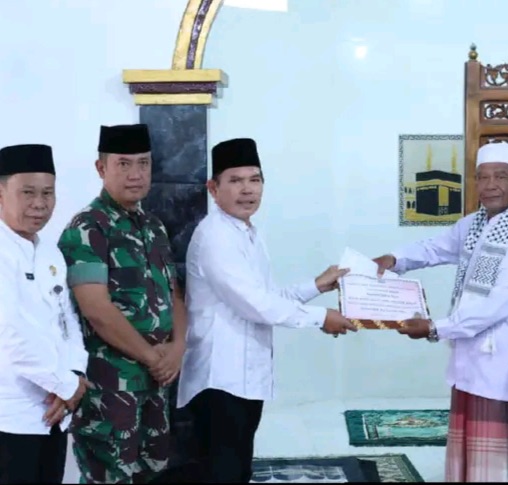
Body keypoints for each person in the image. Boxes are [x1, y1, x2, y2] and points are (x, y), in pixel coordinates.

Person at [177, 137, 357, 483]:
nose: (247, 190)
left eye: (255, 180)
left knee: (238, 469)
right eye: (235, 180)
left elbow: (268, 296)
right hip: (220, 378)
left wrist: (316, 286)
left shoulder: (247, 232)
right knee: (222, 472)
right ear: (213, 188)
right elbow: (255, 304)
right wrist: (322, 318)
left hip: (246, 376)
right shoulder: (216, 236)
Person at [375, 142, 508, 482]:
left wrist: (435, 328)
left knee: (501, 461)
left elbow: (496, 304)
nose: (490, 185)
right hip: (470, 353)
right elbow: (434, 248)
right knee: (469, 448)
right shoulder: (474, 224)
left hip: (504, 359)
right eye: (482, 177)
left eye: (500, 176)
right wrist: (394, 259)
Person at [57, 124, 187, 484]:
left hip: (155, 383)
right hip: (109, 389)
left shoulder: (154, 227)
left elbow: (175, 294)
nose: (135, 174)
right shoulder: (88, 228)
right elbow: (97, 310)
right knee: (109, 477)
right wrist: (153, 358)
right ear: (101, 168)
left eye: (143, 163)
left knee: (152, 471)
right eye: (124, 164)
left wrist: (178, 346)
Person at [0, 144, 89, 484]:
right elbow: (10, 334)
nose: (40, 204)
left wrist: (75, 374)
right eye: (28, 193)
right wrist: (66, 386)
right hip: (10, 416)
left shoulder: (50, 251)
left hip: (54, 412)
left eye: (47, 193)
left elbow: (68, 322)